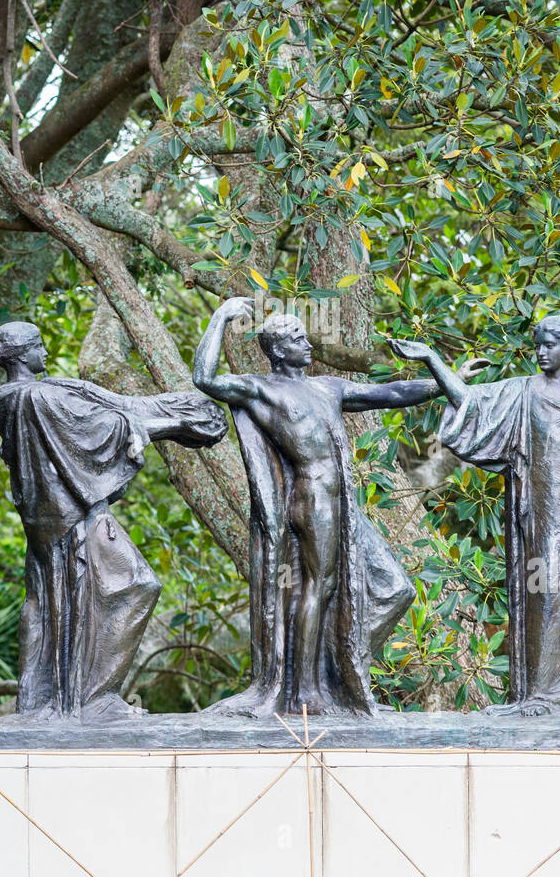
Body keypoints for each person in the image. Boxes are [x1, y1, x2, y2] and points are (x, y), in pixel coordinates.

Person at [193, 298, 486, 717]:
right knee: (320, 588)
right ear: (276, 349)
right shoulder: (261, 388)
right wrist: (221, 316)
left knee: (396, 588)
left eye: (304, 334)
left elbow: (389, 393)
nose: (306, 341)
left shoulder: (327, 387)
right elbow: (204, 377)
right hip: (312, 498)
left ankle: (336, 673)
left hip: (342, 503)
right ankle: (304, 691)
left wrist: (445, 378)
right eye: (296, 337)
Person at [391, 316, 560, 717]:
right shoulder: (522, 391)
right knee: (542, 595)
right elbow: (469, 402)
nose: (541, 351)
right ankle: (536, 695)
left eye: (550, 344)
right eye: (538, 343)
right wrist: (432, 358)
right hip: (537, 515)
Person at [0, 321, 227, 722]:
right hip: (74, 516)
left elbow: (111, 409)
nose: (45, 350)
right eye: (39, 344)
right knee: (136, 585)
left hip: (51, 520)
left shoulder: (24, 397)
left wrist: (174, 409)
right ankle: (94, 700)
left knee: (47, 603)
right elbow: (101, 430)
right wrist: (177, 425)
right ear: (22, 355)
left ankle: (45, 702)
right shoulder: (37, 397)